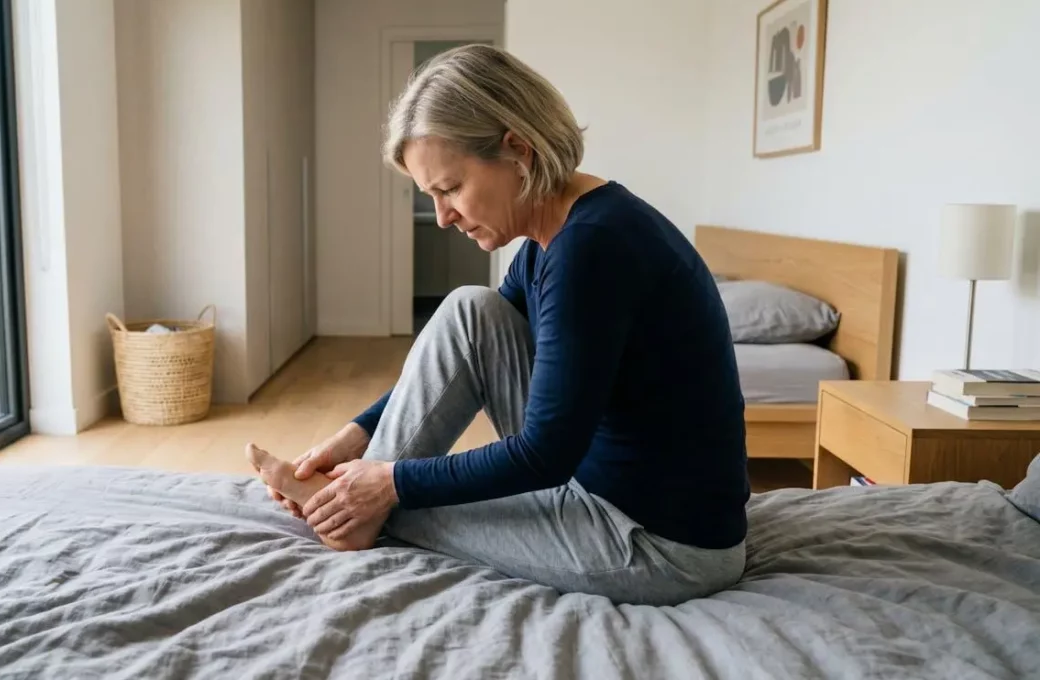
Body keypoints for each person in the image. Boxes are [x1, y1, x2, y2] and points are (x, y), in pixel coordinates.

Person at [246, 44, 749, 606]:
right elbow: (461, 354)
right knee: (472, 310)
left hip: (660, 547)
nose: (442, 218)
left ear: (517, 150)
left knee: (399, 500)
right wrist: (354, 436)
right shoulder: (552, 238)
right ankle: (352, 501)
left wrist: (389, 483)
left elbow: (544, 454)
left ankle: (351, 511)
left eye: (450, 189)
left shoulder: (593, 248)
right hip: (599, 484)